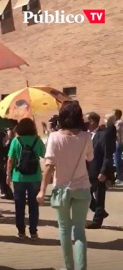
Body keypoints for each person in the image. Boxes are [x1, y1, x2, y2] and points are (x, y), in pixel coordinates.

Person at [37, 101, 93, 270]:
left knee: (64, 230)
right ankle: (81, 268)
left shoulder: (54, 137)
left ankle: (69, 267)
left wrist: (42, 190)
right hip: (82, 187)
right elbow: (89, 158)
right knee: (80, 231)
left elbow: (48, 167)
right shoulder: (86, 136)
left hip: (61, 189)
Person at [6, 118, 45, 239]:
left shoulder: (16, 141)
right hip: (35, 176)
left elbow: (10, 159)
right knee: (34, 205)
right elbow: (44, 155)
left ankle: (21, 231)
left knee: (19, 205)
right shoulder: (37, 140)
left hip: (19, 176)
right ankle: (33, 231)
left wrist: (8, 175)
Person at [85, 112, 114, 229]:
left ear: (92, 121)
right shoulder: (86, 135)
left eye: (86, 120)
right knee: (86, 194)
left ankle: (97, 221)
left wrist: (103, 171)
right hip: (87, 170)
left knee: (99, 196)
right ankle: (100, 211)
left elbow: (107, 155)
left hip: (98, 170)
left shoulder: (103, 135)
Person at [114, 109, 123, 185]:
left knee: (117, 160)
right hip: (120, 143)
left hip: (118, 143)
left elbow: (115, 133)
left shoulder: (118, 123)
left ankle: (119, 177)